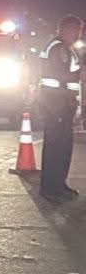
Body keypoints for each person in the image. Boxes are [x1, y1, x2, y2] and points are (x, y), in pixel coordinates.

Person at [37, 14, 83, 202]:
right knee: (56, 147)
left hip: (63, 103)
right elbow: (61, 75)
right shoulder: (58, 48)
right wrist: (81, 73)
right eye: (76, 30)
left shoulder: (66, 48)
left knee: (63, 147)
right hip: (55, 104)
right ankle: (51, 188)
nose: (78, 34)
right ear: (65, 29)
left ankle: (59, 185)